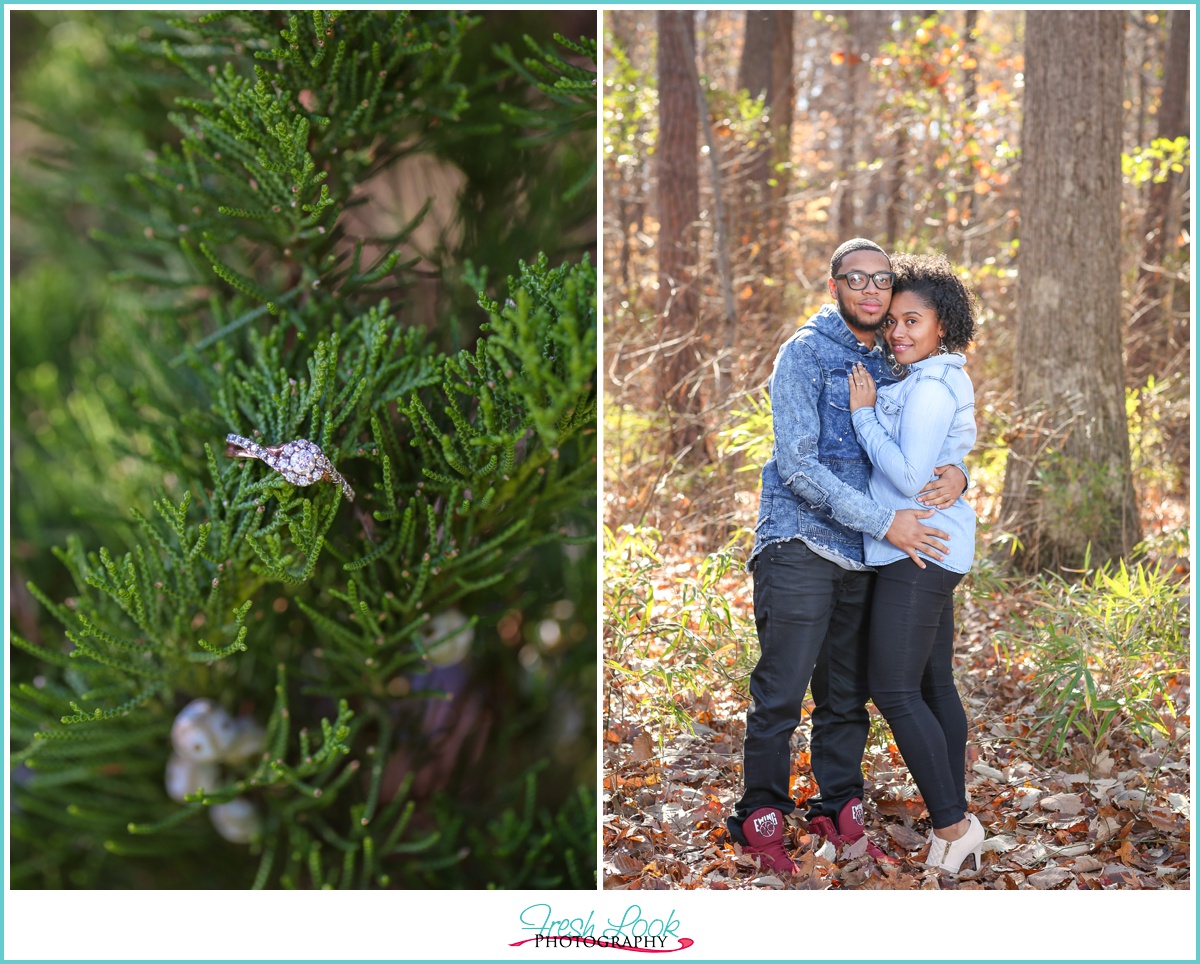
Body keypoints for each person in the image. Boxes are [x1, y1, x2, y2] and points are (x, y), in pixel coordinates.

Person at [727, 239, 969, 875]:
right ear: (833, 286)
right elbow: (798, 465)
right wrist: (887, 522)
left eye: (881, 280)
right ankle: (761, 824)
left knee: (845, 700)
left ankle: (841, 818)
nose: (870, 290)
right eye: (855, 278)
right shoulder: (804, 355)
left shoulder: (894, 359)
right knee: (780, 695)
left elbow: (930, 434)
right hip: (801, 544)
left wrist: (959, 474)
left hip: (865, 556)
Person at [847, 252, 985, 873]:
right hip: (932, 543)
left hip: (920, 548)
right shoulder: (934, 377)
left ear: (941, 325)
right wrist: (958, 471)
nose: (898, 332)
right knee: (933, 683)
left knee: (894, 687)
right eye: (894, 322)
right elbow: (935, 462)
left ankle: (953, 825)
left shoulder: (929, 387)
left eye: (913, 321)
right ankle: (957, 817)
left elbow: (905, 477)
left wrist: (861, 416)